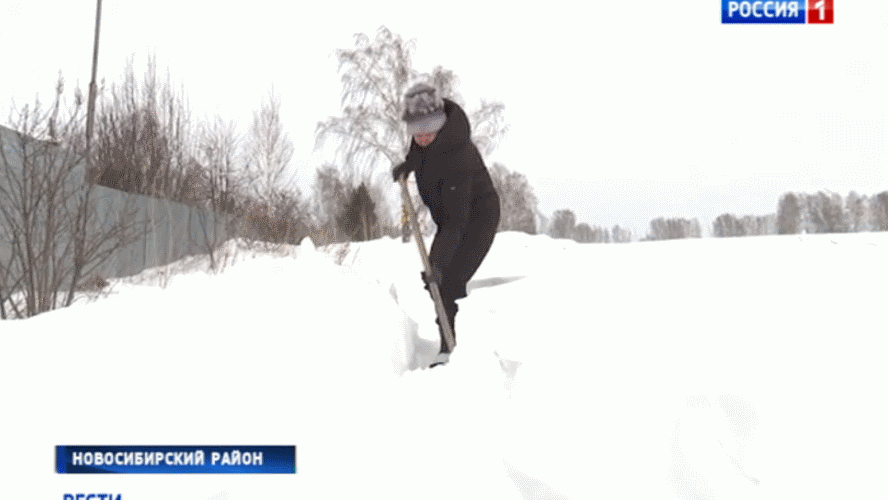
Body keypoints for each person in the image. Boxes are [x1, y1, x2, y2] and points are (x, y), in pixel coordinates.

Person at [392, 83, 500, 367]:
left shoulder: (458, 155)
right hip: (451, 219)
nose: (423, 138)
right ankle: (450, 341)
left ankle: (454, 350)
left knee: (448, 281)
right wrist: (408, 165)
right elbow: (420, 154)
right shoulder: (424, 141)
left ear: (440, 125)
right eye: (418, 132)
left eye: (429, 131)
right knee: (437, 282)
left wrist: (437, 263)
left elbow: (456, 222)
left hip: (478, 218)